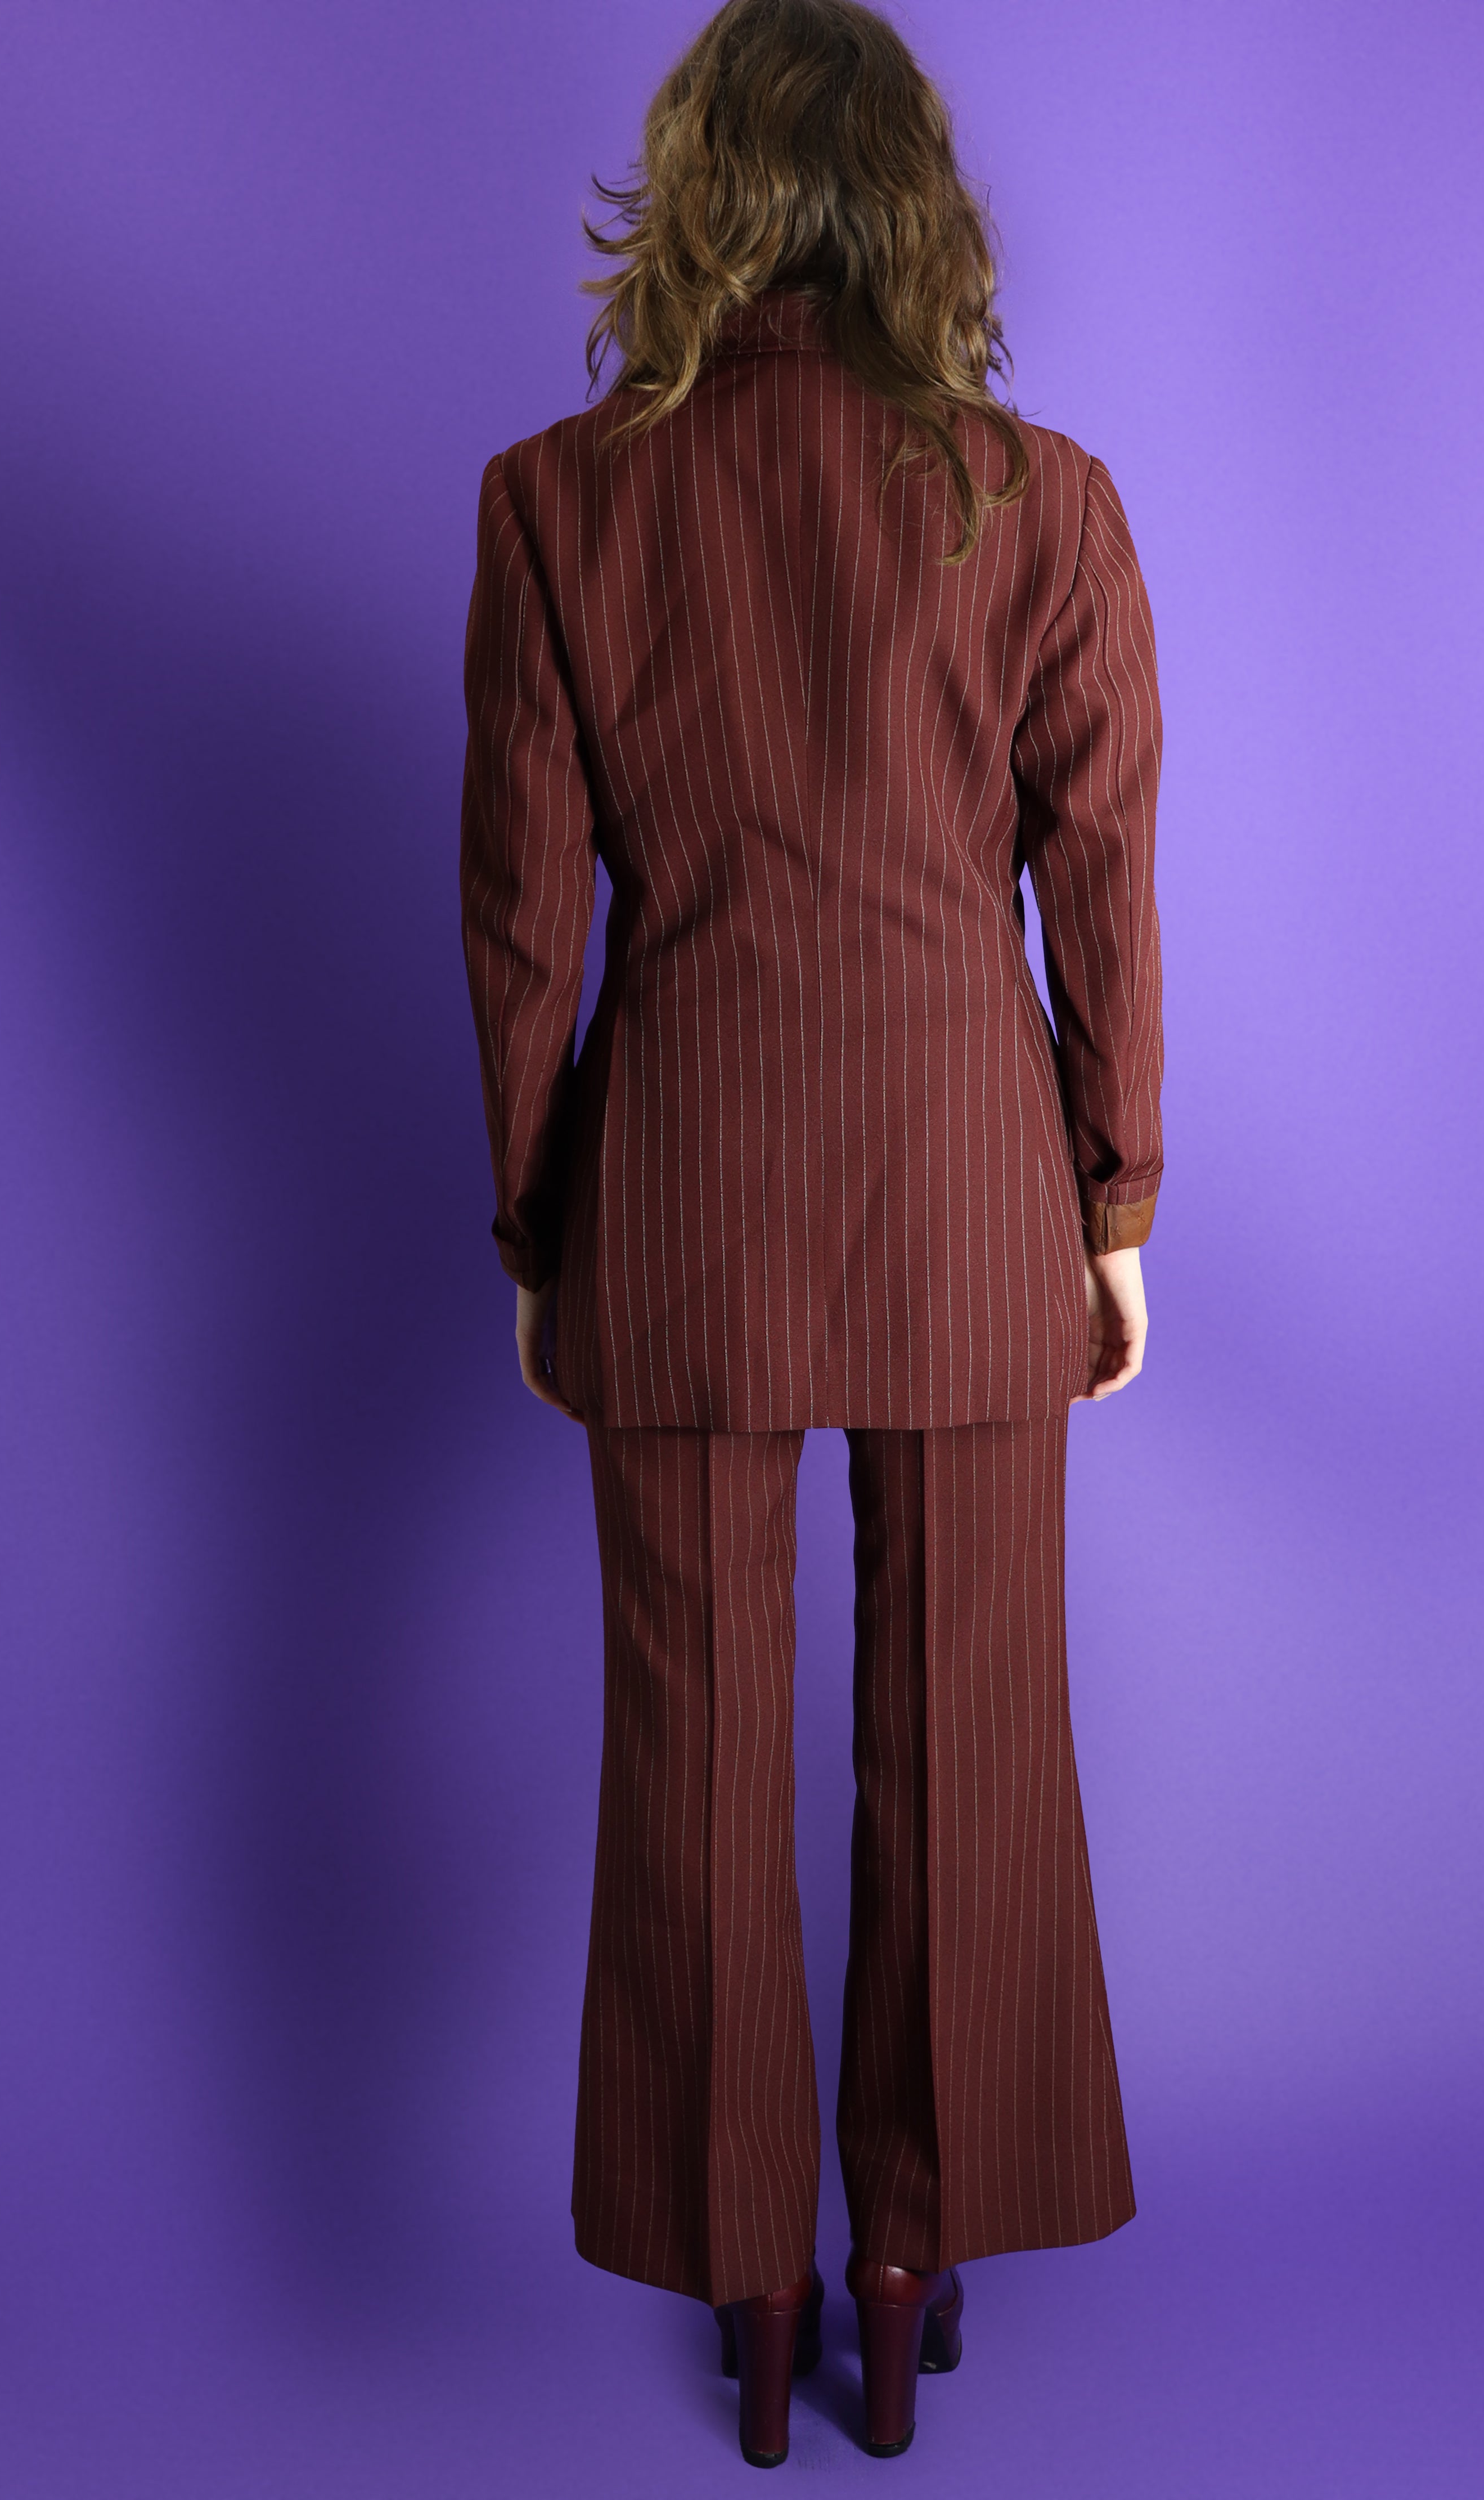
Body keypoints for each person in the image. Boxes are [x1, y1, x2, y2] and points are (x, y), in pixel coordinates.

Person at [457, 0, 1163, 2466]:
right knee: (970, 1742)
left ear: (695, 198)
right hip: (971, 1194)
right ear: (915, 212)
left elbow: (520, 914)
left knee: (690, 1753)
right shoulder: (1038, 499)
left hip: (678, 1200)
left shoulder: (556, 503)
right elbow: (1101, 877)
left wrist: (537, 1219)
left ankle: (746, 2277)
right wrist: (1114, 1197)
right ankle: (900, 2251)